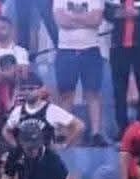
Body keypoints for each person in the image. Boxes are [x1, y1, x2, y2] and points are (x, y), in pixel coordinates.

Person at [105, 0, 140, 136]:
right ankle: (122, 129)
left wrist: (136, 12)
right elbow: (107, 13)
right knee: (119, 91)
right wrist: (124, 13)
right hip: (118, 48)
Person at [53, 0, 105, 145]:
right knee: (66, 94)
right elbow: (61, 21)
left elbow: (96, 20)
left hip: (91, 49)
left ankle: (96, 134)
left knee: (93, 93)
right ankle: (63, 133)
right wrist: (85, 19)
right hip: (66, 50)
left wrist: (72, 18)